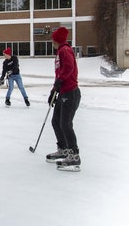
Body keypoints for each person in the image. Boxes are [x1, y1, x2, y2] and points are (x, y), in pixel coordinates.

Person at [46, 27, 82, 171]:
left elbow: (69, 68)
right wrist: (54, 91)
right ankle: (63, 149)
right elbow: (60, 73)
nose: (52, 41)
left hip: (71, 92)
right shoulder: (60, 51)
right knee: (56, 121)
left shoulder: (65, 50)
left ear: (57, 40)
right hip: (63, 92)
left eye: (53, 39)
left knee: (65, 124)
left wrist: (60, 82)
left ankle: (74, 156)